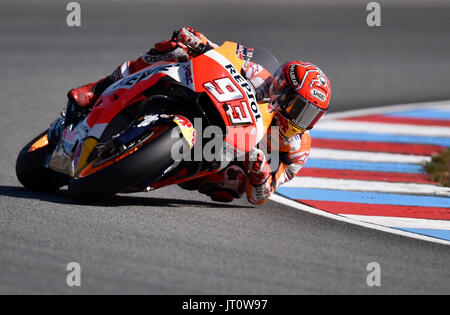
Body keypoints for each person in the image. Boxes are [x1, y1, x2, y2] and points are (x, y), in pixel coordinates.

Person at [66, 27, 331, 205]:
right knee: (174, 49)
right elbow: (225, 55)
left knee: (233, 184)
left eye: (310, 115)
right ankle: (99, 88)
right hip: (215, 101)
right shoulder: (260, 73)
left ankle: (162, 168)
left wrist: (261, 173)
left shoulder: (297, 149)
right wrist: (200, 43)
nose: (300, 120)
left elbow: (260, 197)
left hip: (222, 155)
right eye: (298, 107)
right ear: (280, 88)